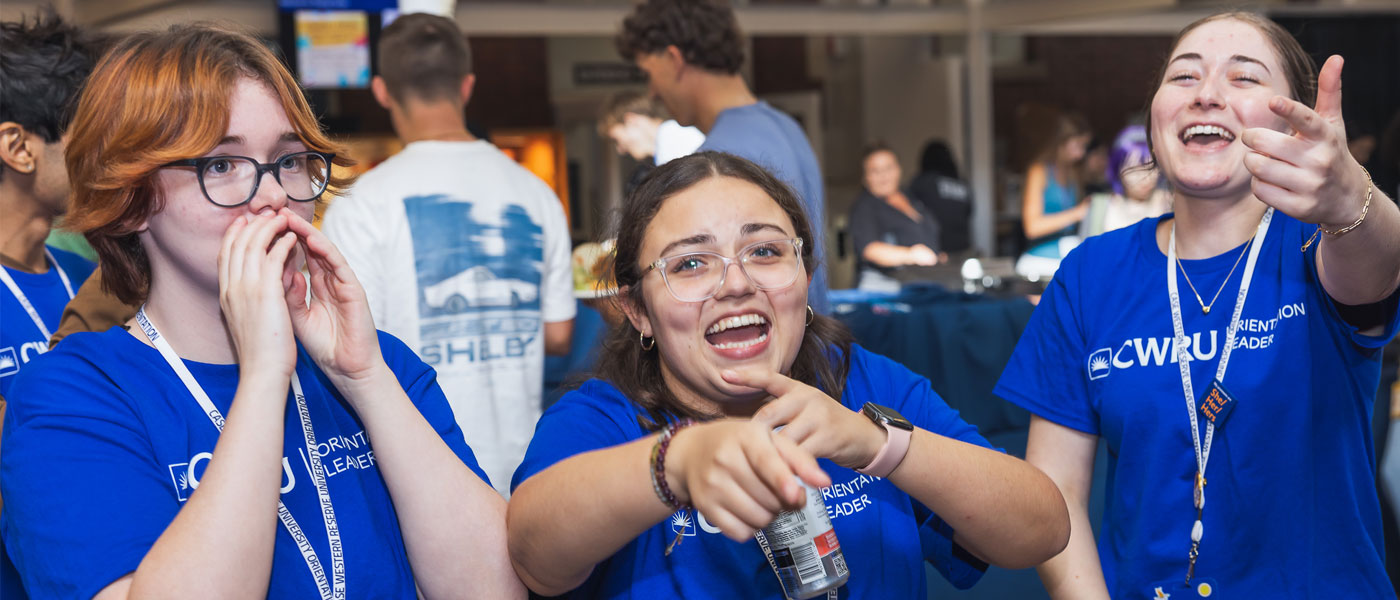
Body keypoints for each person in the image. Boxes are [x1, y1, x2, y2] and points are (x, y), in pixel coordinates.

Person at [0, 24, 522, 599]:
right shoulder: (73, 395)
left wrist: (365, 379)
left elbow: (493, 588)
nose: (274, 195)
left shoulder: (379, 363)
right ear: (131, 202)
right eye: (221, 166)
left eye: (290, 160)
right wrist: (264, 376)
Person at [507, 151, 1070, 598]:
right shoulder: (603, 419)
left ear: (805, 278)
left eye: (766, 251)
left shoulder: (860, 384)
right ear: (637, 311)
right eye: (691, 263)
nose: (735, 284)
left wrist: (881, 446)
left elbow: (1041, 530)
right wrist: (673, 461)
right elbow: (536, 559)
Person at [996, 11, 1400, 598]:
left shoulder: (1321, 244)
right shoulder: (1092, 274)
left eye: (1244, 78)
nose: (1206, 94)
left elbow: (1381, 258)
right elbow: (1056, 492)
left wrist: (1352, 200)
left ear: (1297, 123)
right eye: (1184, 77)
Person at [321, 13, 575, 496]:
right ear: (467, 85)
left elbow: (351, 353)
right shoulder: (536, 193)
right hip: (527, 470)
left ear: (380, 89)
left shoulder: (362, 204)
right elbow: (559, 334)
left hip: (419, 479)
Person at [617, 0, 830, 314]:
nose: (651, 92)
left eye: (649, 74)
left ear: (674, 60)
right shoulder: (786, 128)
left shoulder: (722, 162)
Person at [0, 11, 101, 398]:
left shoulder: (90, 276)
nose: (107, 158)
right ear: (19, 148)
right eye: (91, 137)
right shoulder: (98, 300)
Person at [848, 143, 945, 292]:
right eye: (875, 171)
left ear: (898, 169)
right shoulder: (865, 206)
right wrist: (911, 254)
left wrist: (937, 257)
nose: (883, 175)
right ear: (865, 177)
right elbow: (870, 250)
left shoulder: (911, 197)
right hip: (884, 289)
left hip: (922, 283)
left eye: (888, 168)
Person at [1015, 113, 1092, 280]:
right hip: (1039, 263)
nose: (1082, 153)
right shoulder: (1039, 171)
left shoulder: (1074, 173)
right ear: (1062, 141)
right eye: (1078, 145)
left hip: (1068, 260)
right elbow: (1032, 227)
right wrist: (1077, 213)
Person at [1082, 125, 1172, 235]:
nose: (1145, 177)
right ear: (1118, 169)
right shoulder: (1100, 208)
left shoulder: (1170, 203)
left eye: (1151, 168)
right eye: (1134, 169)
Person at [599, 89, 706, 167]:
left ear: (631, 120)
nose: (620, 150)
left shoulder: (676, 141)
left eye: (617, 140)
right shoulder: (668, 144)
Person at [908, 139, 973, 256]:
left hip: (935, 251)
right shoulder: (963, 183)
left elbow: (908, 212)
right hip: (962, 248)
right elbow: (969, 212)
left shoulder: (922, 182)